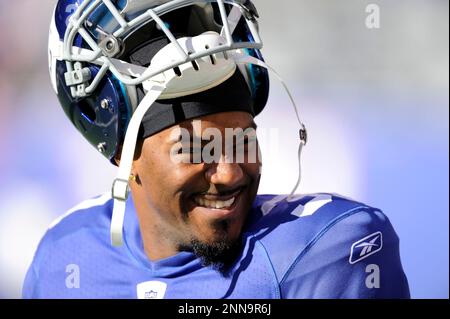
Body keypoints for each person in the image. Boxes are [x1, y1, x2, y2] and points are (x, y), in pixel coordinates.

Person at [23, 0, 409, 299]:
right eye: (194, 148)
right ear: (122, 151)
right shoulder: (65, 257)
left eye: (243, 139)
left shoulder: (324, 251)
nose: (229, 173)